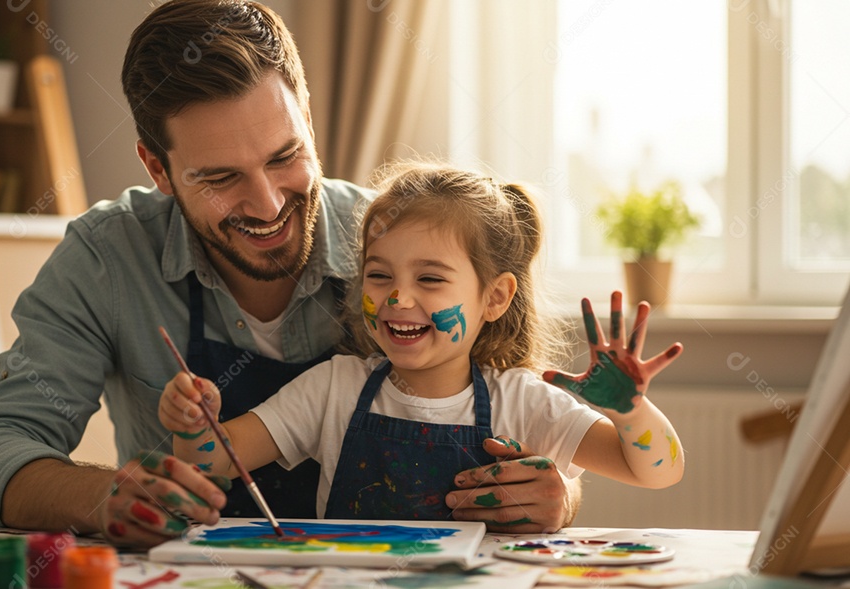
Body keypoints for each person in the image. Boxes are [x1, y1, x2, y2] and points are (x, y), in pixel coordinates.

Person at [0, 0, 585, 548]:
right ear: (157, 168)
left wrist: (556, 495)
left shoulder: (394, 248)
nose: (269, 205)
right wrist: (103, 496)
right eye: (220, 178)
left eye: (285, 158)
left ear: (309, 120)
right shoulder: (107, 258)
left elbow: (512, 409)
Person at [160, 163, 685, 524]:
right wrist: (191, 424)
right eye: (379, 274)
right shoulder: (334, 387)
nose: (398, 297)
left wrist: (631, 412)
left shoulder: (522, 400)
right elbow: (213, 462)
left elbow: (657, 471)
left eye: (430, 280)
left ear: (495, 297)